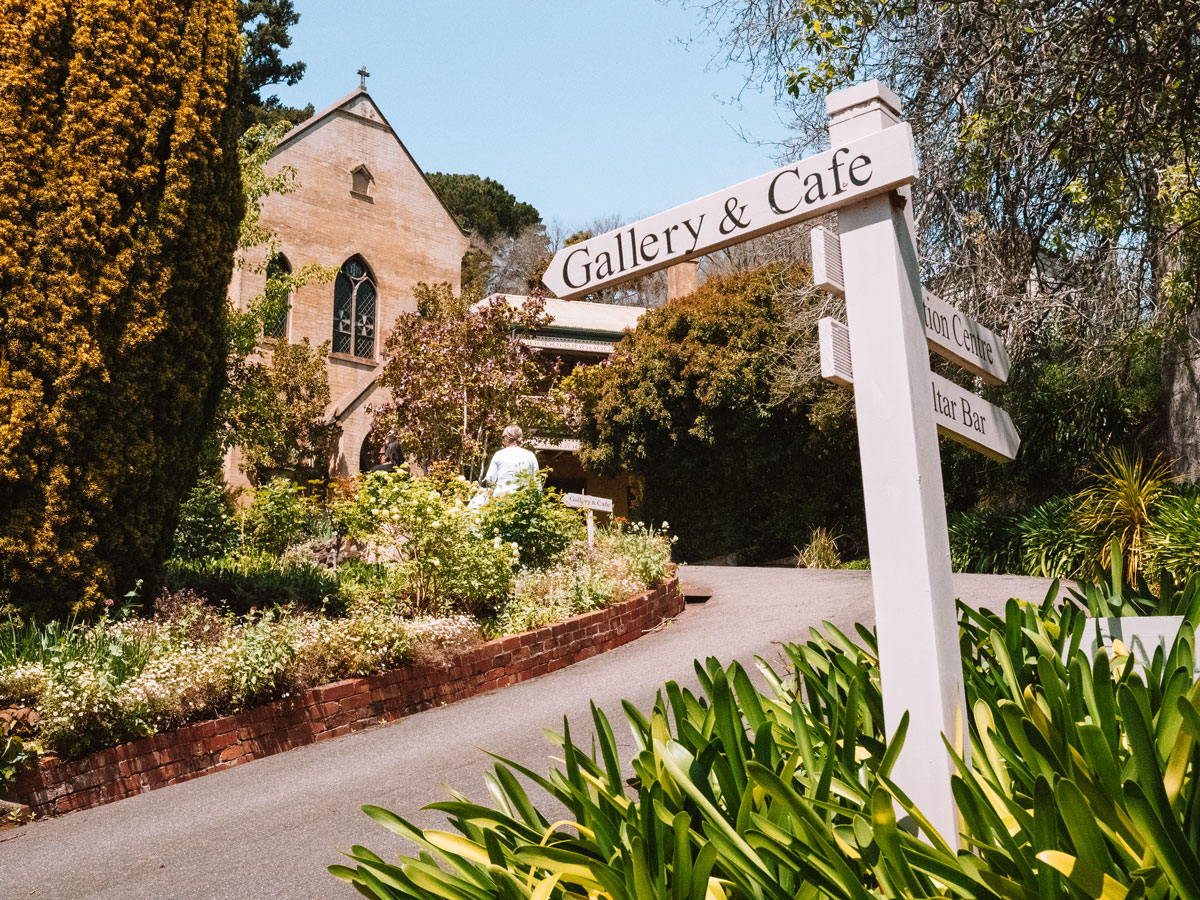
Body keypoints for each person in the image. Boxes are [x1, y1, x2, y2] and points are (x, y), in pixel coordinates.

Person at [482, 425, 539, 497]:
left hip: (501, 497)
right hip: (524, 499)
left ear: (506, 438)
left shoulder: (499, 454)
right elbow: (537, 481)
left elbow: (490, 478)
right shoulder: (530, 455)